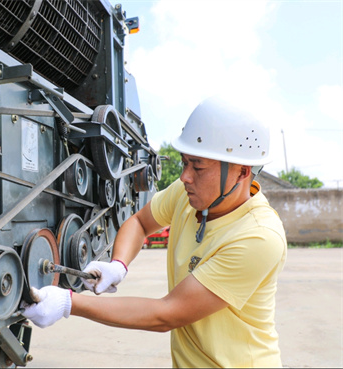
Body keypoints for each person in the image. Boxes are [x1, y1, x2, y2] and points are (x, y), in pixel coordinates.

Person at [22, 96, 287, 368]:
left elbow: (167, 314)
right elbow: (140, 222)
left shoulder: (259, 237)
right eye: (185, 162)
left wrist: (69, 303)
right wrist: (119, 264)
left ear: (242, 173)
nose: (185, 176)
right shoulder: (188, 194)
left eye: (198, 166)